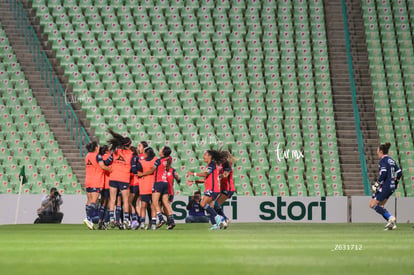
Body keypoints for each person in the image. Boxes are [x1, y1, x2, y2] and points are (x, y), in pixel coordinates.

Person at [104, 129, 138, 229]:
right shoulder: (132, 155)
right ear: (129, 145)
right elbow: (133, 168)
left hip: (113, 177)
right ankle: (126, 220)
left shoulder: (115, 152)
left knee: (113, 199)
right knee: (126, 200)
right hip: (124, 178)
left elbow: (107, 162)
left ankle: (111, 219)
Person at [186, 149, 225, 230]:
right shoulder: (209, 166)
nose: (203, 156)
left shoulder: (212, 164)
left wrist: (194, 174)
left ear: (210, 156)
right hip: (210, 189)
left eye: (205, 155)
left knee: (202, 204)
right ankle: (215, 225)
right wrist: (194, 181)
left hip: (212, 189)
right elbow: (204, 179)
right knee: (210, 208)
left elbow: (206, 173)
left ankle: (219, 218)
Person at [369, 142, 403, 230]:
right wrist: (396, 182)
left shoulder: (383, 161)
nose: (376, 152)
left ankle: (390, 217)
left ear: (380, 151)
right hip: (391, 187)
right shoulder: (391, 160)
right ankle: (392, 224)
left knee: (372, 204)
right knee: (380, 205)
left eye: (377, 150)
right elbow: (399, 173)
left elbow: (383, 174)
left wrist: (376, 185)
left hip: (385, 186)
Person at [83, 141, 111, 230]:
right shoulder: (97, 156)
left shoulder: (87, 156)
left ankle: (89, 219)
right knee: (93, 202)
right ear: (96, 148)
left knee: (89, 201)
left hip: (88, 180)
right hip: (96, 180)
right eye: (98, 146)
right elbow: (102, 166)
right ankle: (88, 218)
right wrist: (112, 170)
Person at [214, 150, 236, 229]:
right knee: (216, 205)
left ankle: (224, 220)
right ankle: (224, 219)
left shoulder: (227, 164)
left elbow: (225, 175)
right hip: (224, 188)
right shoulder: (223, 164)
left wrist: (217, 177)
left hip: (228, 188)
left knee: (216, 205)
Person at [137, 146, 157, 229]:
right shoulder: (156, 160)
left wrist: (143, 174)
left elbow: (138, 173)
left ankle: (142, 223)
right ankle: (153, 224)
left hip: (145, 186)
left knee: (143, 206)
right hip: (152, 186)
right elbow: (153, 170)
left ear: (146, 154)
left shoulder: (141, 162)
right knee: (152, 206)